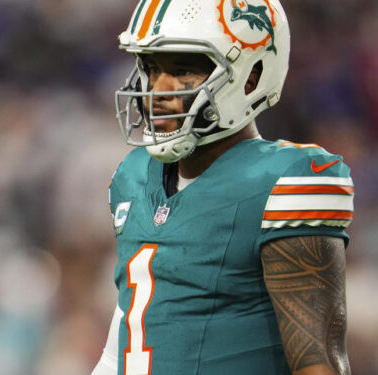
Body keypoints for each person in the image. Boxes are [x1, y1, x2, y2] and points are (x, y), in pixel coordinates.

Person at [92, 0, 354, 374]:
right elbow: (126, 344)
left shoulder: (285, 180)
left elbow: (318, 364)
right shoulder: (133, 176)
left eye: (182, 70)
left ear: (250, 77)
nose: (158, 90)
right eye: (151, 68)